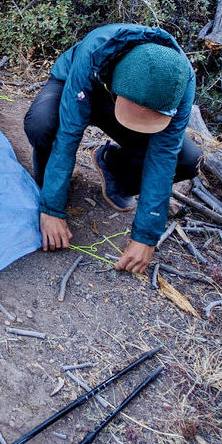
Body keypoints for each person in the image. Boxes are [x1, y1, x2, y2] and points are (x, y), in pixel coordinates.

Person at [24, 23, 200, 274]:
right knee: (42, 125)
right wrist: (51, 208)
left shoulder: (179, 83)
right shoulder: (96, 49)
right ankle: (44, 182)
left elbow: (164, 156)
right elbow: (68, 133)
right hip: (80, 87)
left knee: (189, 160)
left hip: (134, 105)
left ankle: (114, 168)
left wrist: (146, 237)